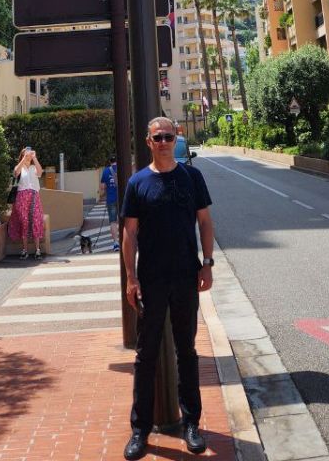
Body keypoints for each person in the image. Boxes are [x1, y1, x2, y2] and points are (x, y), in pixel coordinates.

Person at [120, 115, 215, 459]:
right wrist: (131, 277)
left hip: (186, 275)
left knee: (186, 351)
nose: (163, 142)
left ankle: (191, 424)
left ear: (176, 139)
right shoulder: (138, 182)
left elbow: (205, 222)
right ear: (148, 142)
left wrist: (207, 263)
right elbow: (130, 232)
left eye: (168, 137)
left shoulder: (192, 177)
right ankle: (140, 429)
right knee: (146, 355)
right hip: (151, 279)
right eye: (157, 137)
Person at [8, 145, 45, 259]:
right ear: (22, 155)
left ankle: (37, 250)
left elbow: (40, 173)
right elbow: (15, 173)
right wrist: (23, 159)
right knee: (24, 222)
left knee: (36, 221)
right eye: (26, 154)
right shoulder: (20, 167)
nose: (28, 156)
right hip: (22, 197)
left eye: (29, 154)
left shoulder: (34, 167)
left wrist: (35, 158)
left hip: (34, 196)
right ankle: (25, 250)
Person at [98, 154, 119, 250]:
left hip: (111, 199)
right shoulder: (123, 168)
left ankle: (116, 243)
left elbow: (102, 187)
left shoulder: (106, 171)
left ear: (110, 162)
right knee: (124, 220)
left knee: (113, 221)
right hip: (122, 198)